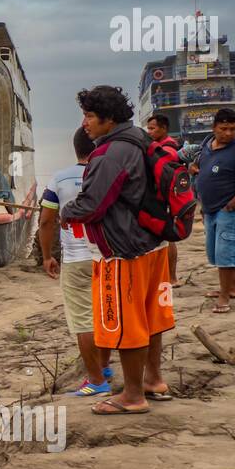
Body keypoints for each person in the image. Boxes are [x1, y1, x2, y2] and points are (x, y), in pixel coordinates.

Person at [60, 85, 174, 416]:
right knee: (151, 319)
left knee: (126, 324)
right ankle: (154, 380)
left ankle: (133, 396)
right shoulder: (140, 137)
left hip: (124, 250)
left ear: (109, 120)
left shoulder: (109, 154)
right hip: (154, 244)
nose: (85, 123)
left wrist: (67, 212)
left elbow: (93, 204)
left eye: (90, 116)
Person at [39, 128, 113, 396]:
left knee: (84, 321)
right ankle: (104, 367)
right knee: (105, 314)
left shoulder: (59, 179)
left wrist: (47, 256)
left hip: (75, 258)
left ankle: (96, 381)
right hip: (107, 256)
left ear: (75, 149)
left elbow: (46, 221)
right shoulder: (109, 174)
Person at [196, 107, 235, 313]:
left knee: (226, 251)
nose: (229, 133)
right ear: (214, 127)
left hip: (229, 208)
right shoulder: (207, 146)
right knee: (214, 250)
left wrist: (233, 204)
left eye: (233, 129)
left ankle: (224, 295)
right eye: (224, 129)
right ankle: (233, 288)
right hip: (210, 208)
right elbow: (201, 168)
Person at [144, 113, 181, 286]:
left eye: (152, 128)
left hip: (165, 199)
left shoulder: (168, 150)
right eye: (148, 128)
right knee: (165, 238)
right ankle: (168, 276)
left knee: (168, 239)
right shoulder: (163, 146)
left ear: (164, 129)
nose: (149, 132)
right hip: (165, 197)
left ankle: (172, 277)